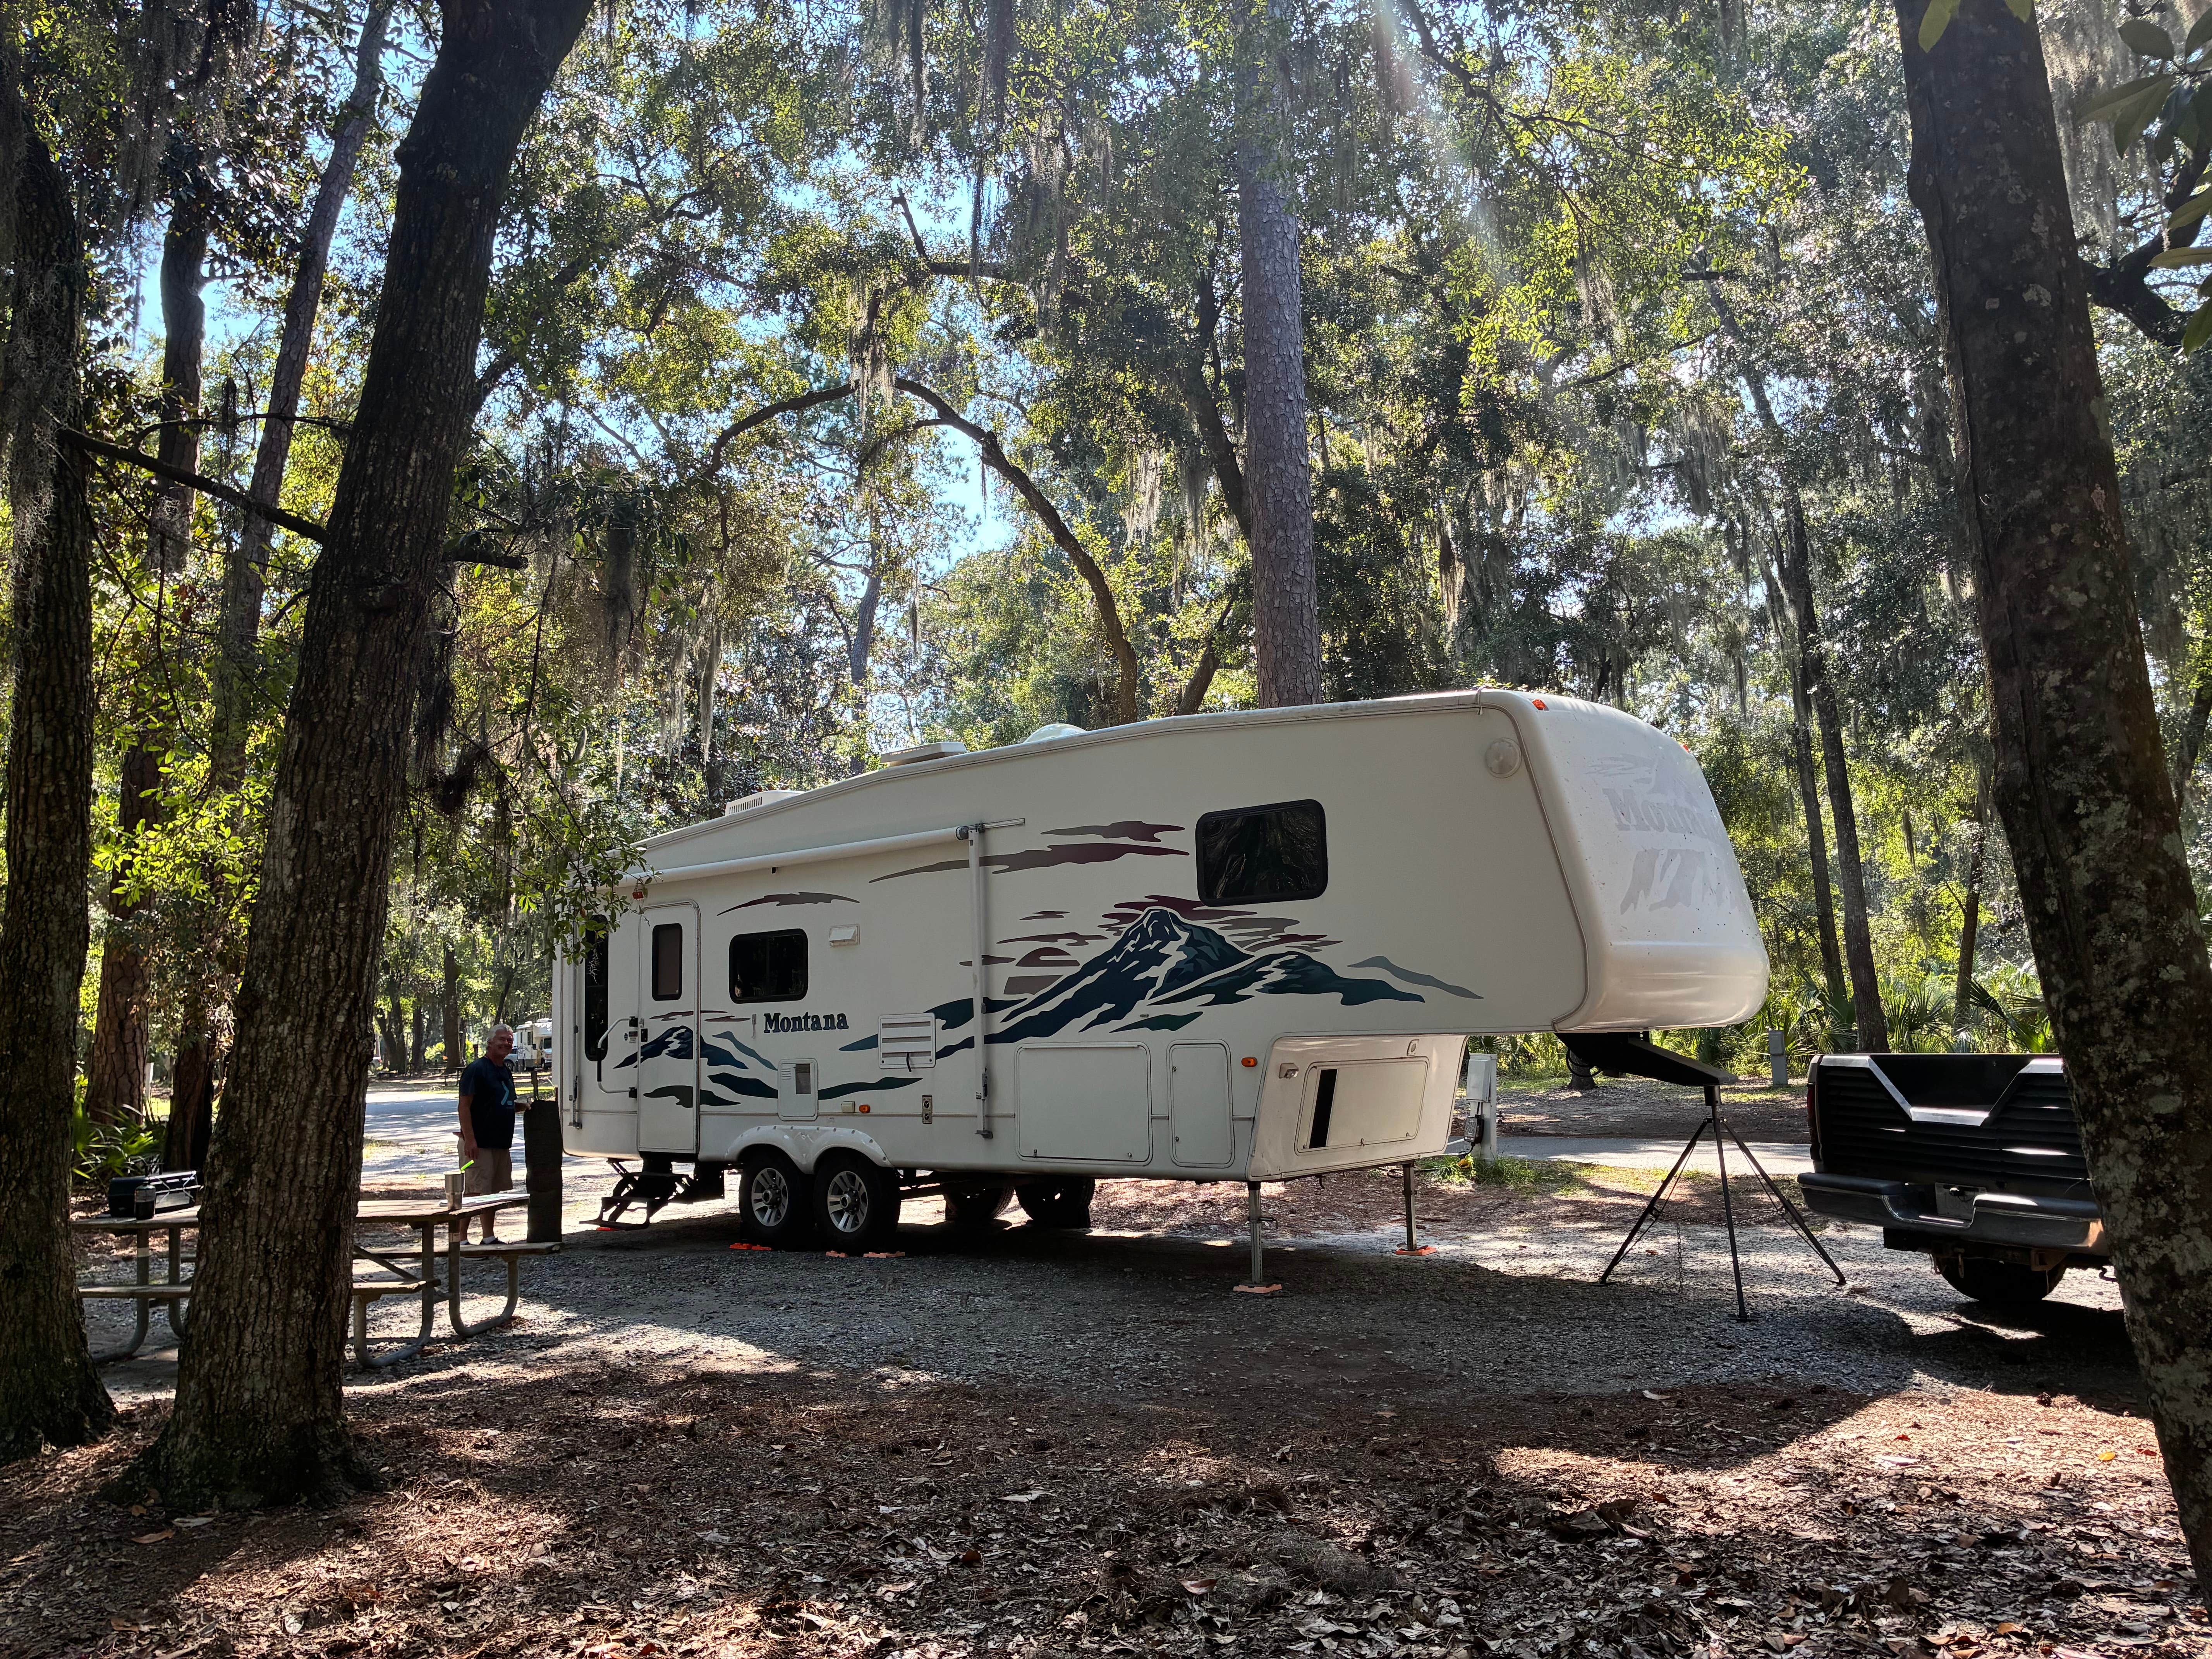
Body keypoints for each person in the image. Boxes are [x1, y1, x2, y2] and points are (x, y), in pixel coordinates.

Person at [456, 1024, 519, 1243]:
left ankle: (488, 1237)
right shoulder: (477, 1069)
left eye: (510, 1040)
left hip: (500, 1142)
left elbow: (502, 1102)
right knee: (474, 1191)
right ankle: (460, 1240)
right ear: (490, 1042)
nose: (506, 1044)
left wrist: (522, 1107)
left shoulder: (505, 1070)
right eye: (502, 1039)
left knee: (492, 1193)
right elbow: (464, 1107)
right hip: (479, 1143)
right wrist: (470, 1139)